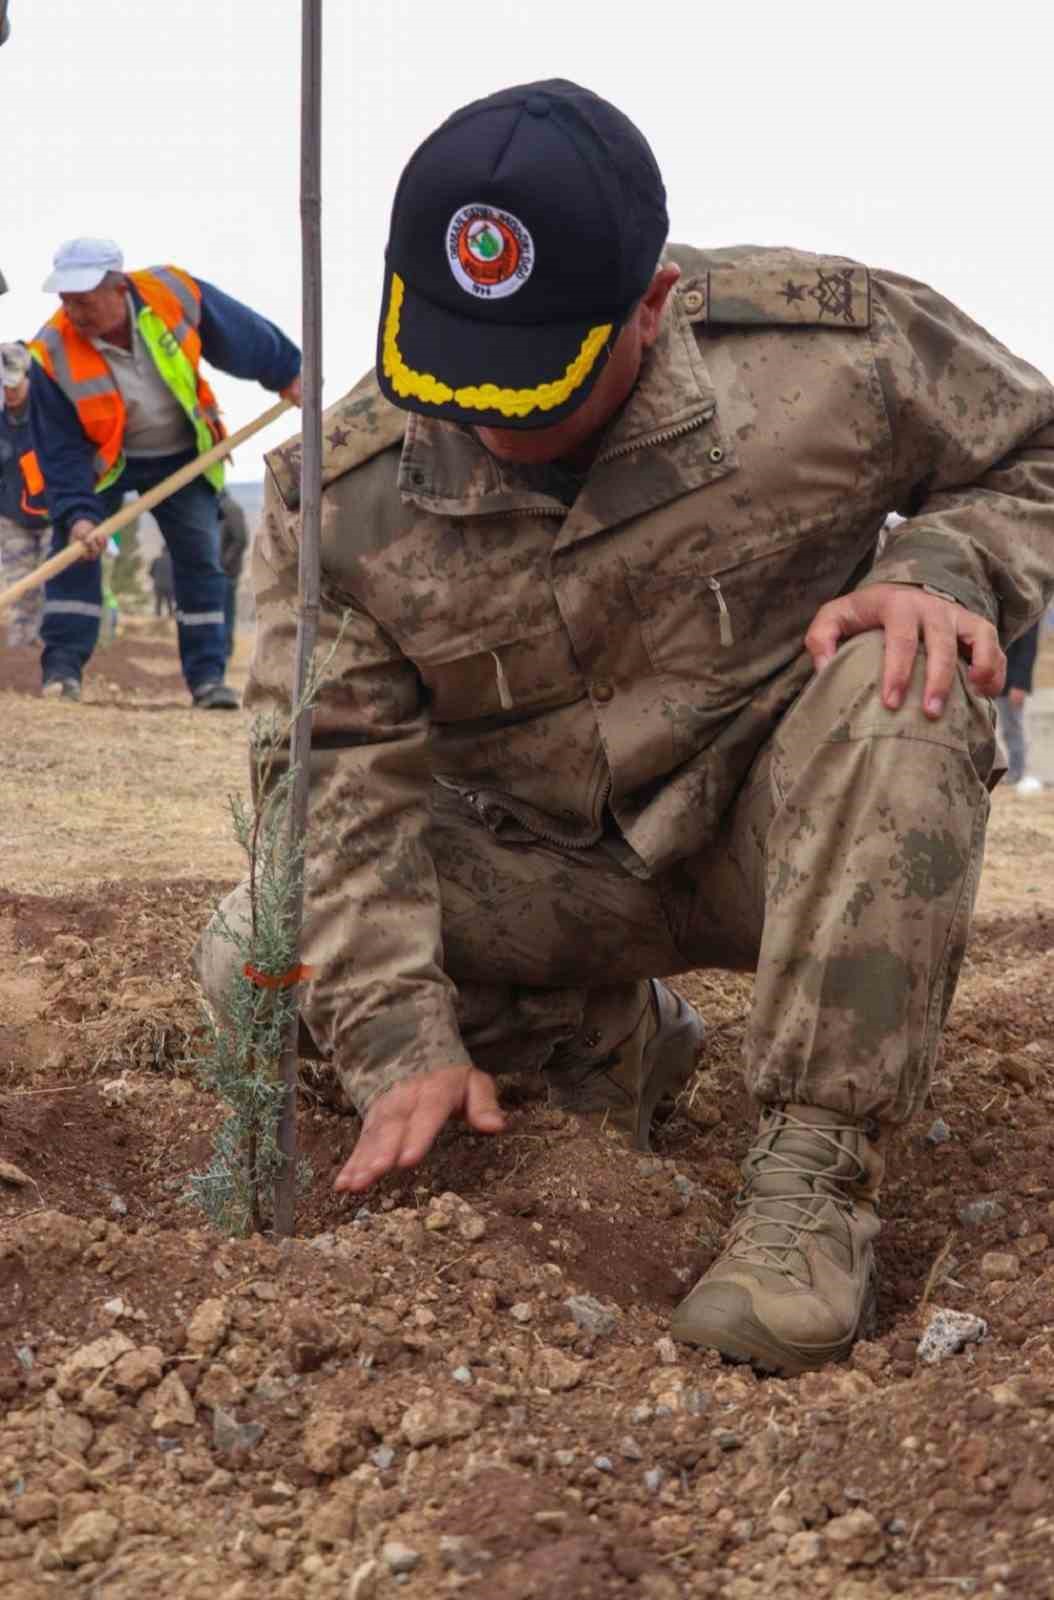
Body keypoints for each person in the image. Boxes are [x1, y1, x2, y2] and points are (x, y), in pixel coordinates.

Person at [196, 81, 1054, 1376]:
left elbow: (1033, 452)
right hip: (542, 868)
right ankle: (602, 1046)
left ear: (652, 306)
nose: (492, 421)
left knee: (905, 681)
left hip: (777, 836)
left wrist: (944, 568)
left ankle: (811, 1183)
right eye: (458, 367)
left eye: (541, 380)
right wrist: (396, 1051)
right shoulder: (340, 494)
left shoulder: (832, 351)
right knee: (241, 957)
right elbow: (328, 779)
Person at [28, 237, 301, 706]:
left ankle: (208, 681)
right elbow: (59, 449)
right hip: (104, 465)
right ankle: (61, 673)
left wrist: (287, 370)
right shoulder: (50, 353)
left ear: (119, 287)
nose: (73, 312)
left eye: (84, 300)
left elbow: (240, 335)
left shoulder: (173, 292)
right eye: (65, 301)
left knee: (200, 562)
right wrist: (78, 515)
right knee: (75, 555)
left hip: (181, 456)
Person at [0, 341, 51, 647]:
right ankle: (20, 650)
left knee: (52, 586)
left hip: (52, 516)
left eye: (14, 383)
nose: (9, 390)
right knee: (19, 588)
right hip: (11, 519)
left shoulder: (50, 416)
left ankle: (49, 651)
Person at [995, 621, 1043, 793]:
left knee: (1012, 728)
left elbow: (1028, 650)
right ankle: (1009, 771)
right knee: (1001, 730)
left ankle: (1018, 772)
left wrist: (1020, 684)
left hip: (1012, 684)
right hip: (996, 680)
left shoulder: (1027, 615)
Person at [217, 488, 249, 660]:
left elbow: (241, 539)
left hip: (226, 573)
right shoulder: (218, 507)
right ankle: (220, 650)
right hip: (218, 572)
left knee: (226, 613)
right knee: (218, 612)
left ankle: (226, 651)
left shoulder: (231, 508)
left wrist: (223, 564)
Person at [149, 549, 175, 618]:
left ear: (162, 551)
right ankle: (170, 616)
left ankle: (158, 617)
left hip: (158, 585)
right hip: (170, 585)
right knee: (169, 602)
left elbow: (150, 573)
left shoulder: (157, 560)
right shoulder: (173, 561)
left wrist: (156, 578)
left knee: (158, 602)